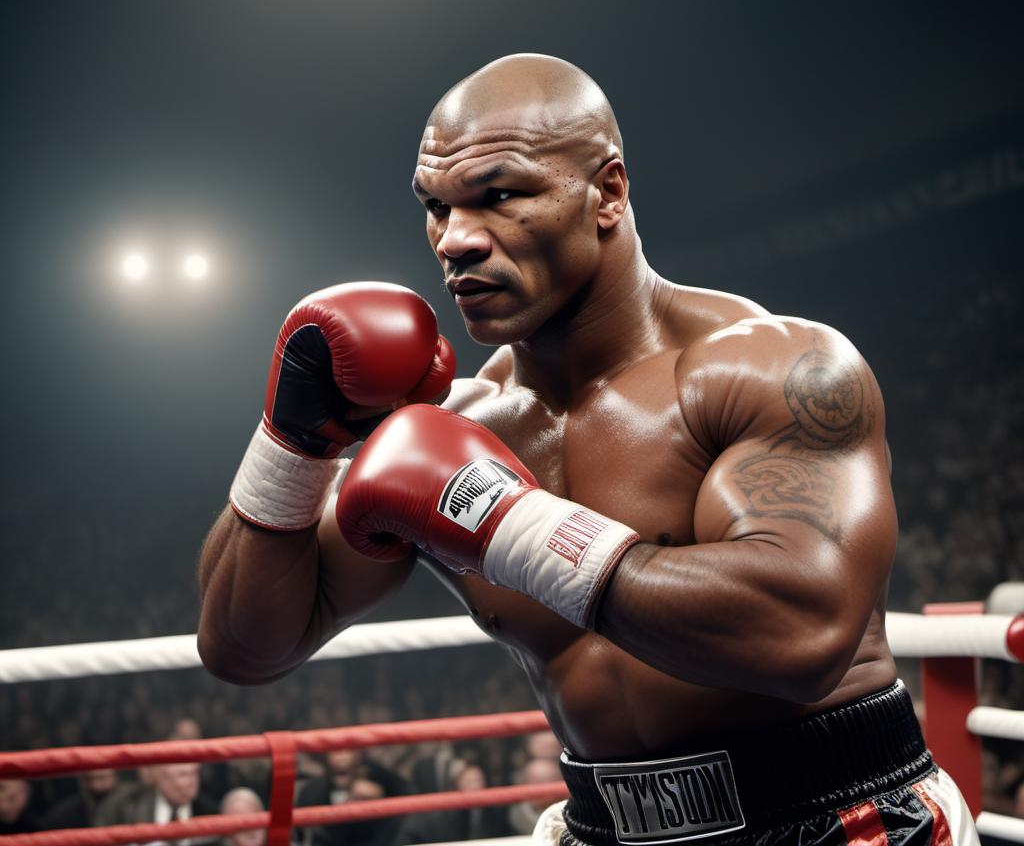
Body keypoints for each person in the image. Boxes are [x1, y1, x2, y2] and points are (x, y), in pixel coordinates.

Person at [199, 54, 979, 846]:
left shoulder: (772, 367)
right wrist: (293, 444)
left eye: (498, 196)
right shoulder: (459, 424)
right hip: (601, 826)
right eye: (435, 206)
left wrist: (509, 525)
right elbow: (244, 647)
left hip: (834, 818)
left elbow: (802, 637)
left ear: (606, 192)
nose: (455, 240)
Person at [95, 761, 218, 845]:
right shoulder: (124, 808)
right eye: (182, 775)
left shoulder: (210, 812)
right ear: (160, 777)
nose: (190, 783)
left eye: (194, 773)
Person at [40, 768, 120, 830]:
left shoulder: (126, 803)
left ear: (115, 777)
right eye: (89, 779)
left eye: (101, 778)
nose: (96, 784)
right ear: (83, 781)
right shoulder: (67, 812)